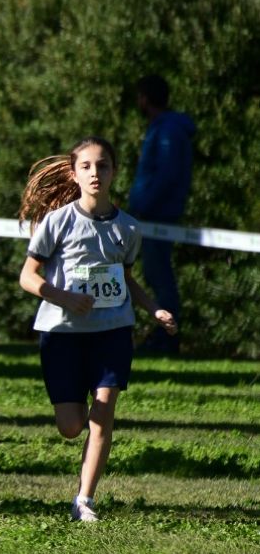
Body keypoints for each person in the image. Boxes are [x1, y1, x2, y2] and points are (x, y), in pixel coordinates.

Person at [18, 136, 178, 522]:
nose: (95, 173)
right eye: (86, 166)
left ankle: (84, 500)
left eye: (103, 165)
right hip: (62, 333)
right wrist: (63, 297)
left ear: (114, 172)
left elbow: (126, 279)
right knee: (71, 426)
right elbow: (27, 276)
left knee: (103, 411)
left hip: (112, 331)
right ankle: (81, 491)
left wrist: (154, 309)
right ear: (74, 174)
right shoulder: (57, 222)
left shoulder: (128, 228)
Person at [130, 75, 194, 354]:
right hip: (156, 212)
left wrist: (143, 206)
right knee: (155, 273)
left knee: (159, 275)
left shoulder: (167, 130)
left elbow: (166, 175)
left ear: (145, 98)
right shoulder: (166, 128)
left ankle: (167, 337)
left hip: (157, 215)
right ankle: (165, 335)